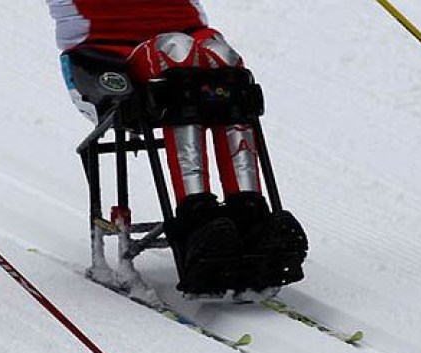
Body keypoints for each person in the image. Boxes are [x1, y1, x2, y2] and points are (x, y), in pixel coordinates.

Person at [47, 0, 274, 292]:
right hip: (104, 56)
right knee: (175, 54)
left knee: (222, 58)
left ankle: (249, 212)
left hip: (188, 42)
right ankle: (197, 218)